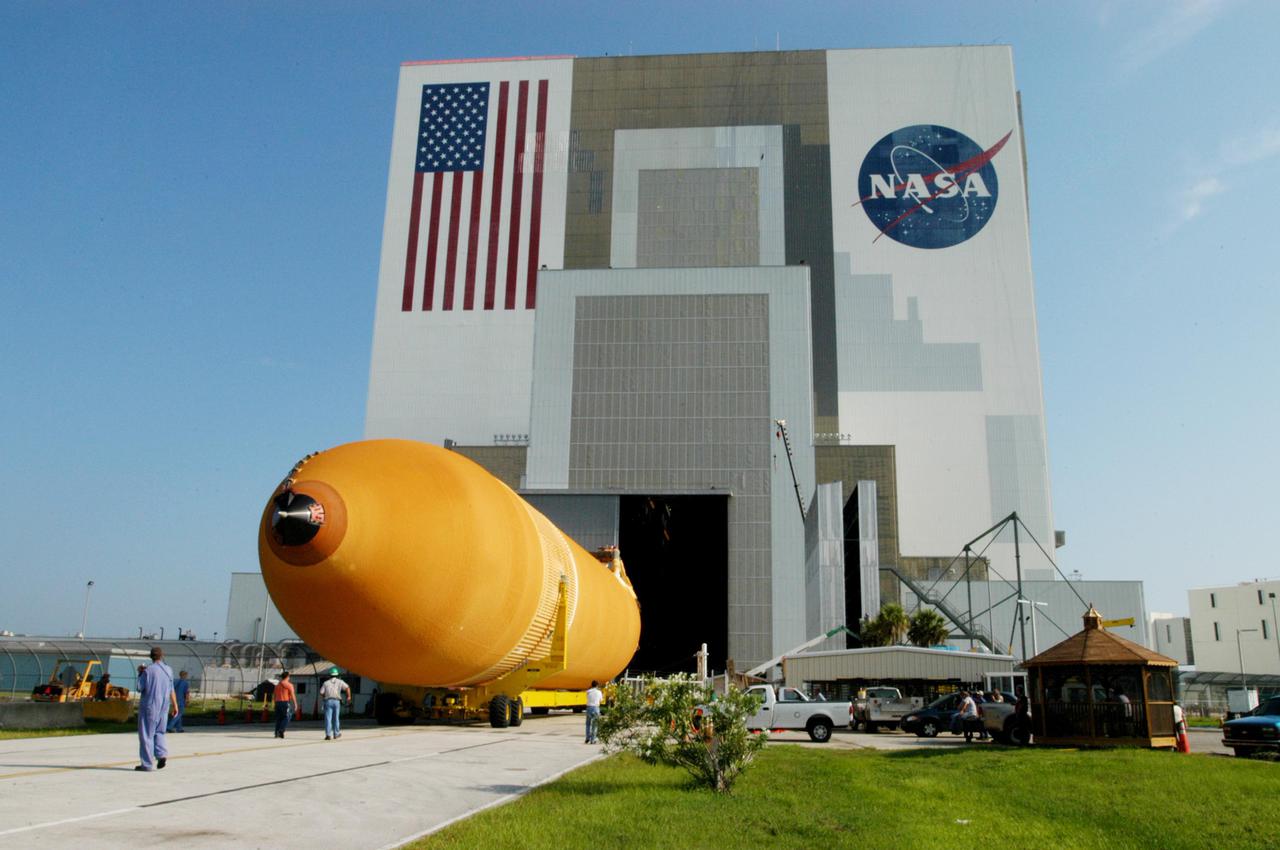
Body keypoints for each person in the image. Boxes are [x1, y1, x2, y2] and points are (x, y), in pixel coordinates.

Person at [136, 647, 178, 772]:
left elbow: (140, 687)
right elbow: (171, 689)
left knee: (146, 734)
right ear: (162, 655)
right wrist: (175, 705)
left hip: (150, 704)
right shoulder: (168, 670)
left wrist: (140, 673)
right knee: (160, 731)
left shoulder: (148, 670)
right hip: (164, 705)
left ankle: (147, 764)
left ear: (151, 656)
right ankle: (161, 754)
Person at [319, 668, 351, 740]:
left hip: (328, 701)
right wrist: (349, 697)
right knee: (336, 718)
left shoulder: (326, 683)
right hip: (336, 702)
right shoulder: (340, 682)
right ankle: (336, 734)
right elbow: (347, 688)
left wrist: (325, 697)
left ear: (330, 675)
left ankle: (328, 735)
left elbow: (321, 692)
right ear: (337, 675)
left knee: (328, 718)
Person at [273, 671, 299, 738]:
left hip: (277, 702)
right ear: (287, 677)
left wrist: (274, 704)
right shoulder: (289, 685)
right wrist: (295, 704)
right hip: (285, 702)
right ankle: (281, 730)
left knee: (279, 718)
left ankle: (276, 733)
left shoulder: (277, 685)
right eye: (289, 676)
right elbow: (292, 695)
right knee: (287, 716)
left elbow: (274, 695)